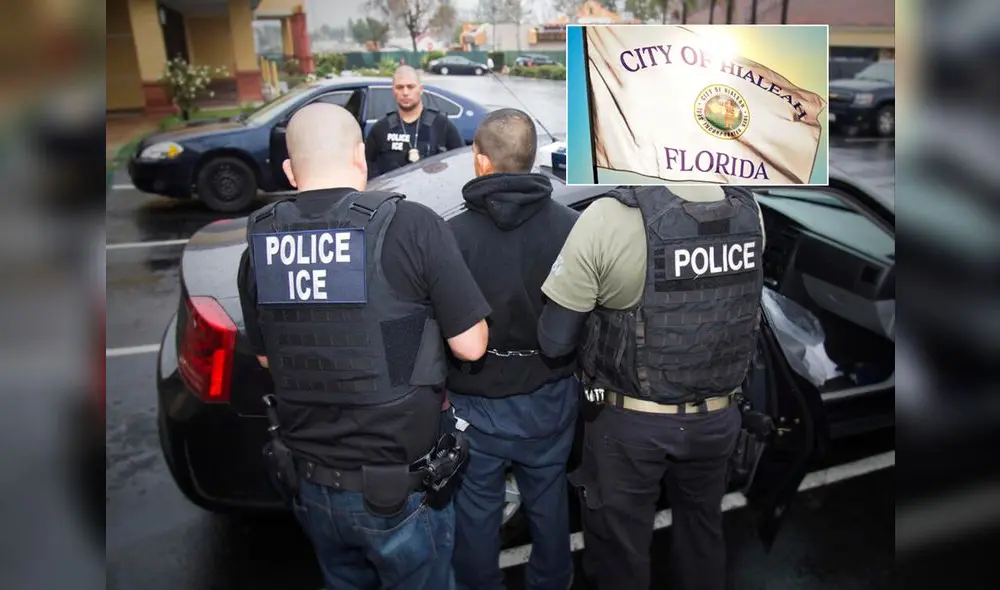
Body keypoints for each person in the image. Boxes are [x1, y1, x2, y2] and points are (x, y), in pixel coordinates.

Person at [236, 103, 492, 590]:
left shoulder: (262, 245)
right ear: (361, 157)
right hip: (398, 491)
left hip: (310, 483)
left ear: (290, 171)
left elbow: (270, 358)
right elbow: (472, 346)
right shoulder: (411, 226)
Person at [536, 184, 768, 590]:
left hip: (632, 425)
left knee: (619, 553)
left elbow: (555, 341)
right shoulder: (749, 212)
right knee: (703, 537)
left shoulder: (610, 216)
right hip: (718, 417)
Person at [444, 108, 581, 590]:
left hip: (475, 402)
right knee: (548, 498)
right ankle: (553, 580)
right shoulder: (572, 227)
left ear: (481, 162)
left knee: (477, 510)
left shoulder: (451, 237)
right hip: (550, 393)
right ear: (532, 158)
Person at [364, 65, 464, 179]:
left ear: (421, 89)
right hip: (393, 193)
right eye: (400, 87)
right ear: (393, 91)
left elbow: (460, 162)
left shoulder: (441, 124)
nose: (405, 92)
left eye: (410, 87)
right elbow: (367, 166)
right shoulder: (381, 129)